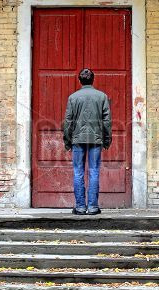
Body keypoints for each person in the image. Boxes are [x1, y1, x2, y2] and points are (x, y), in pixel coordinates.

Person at [63, 68, 112, 215]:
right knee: (94, 172)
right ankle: (93, 207)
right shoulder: (102, 96)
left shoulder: (73, 97)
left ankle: (80, 207)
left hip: (77, 140)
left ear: (80, 81)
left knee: (78, 172)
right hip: (96, 140)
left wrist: (67, 140)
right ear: (93, 80)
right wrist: (107, 139)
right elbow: (107, 121)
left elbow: (68, 121)